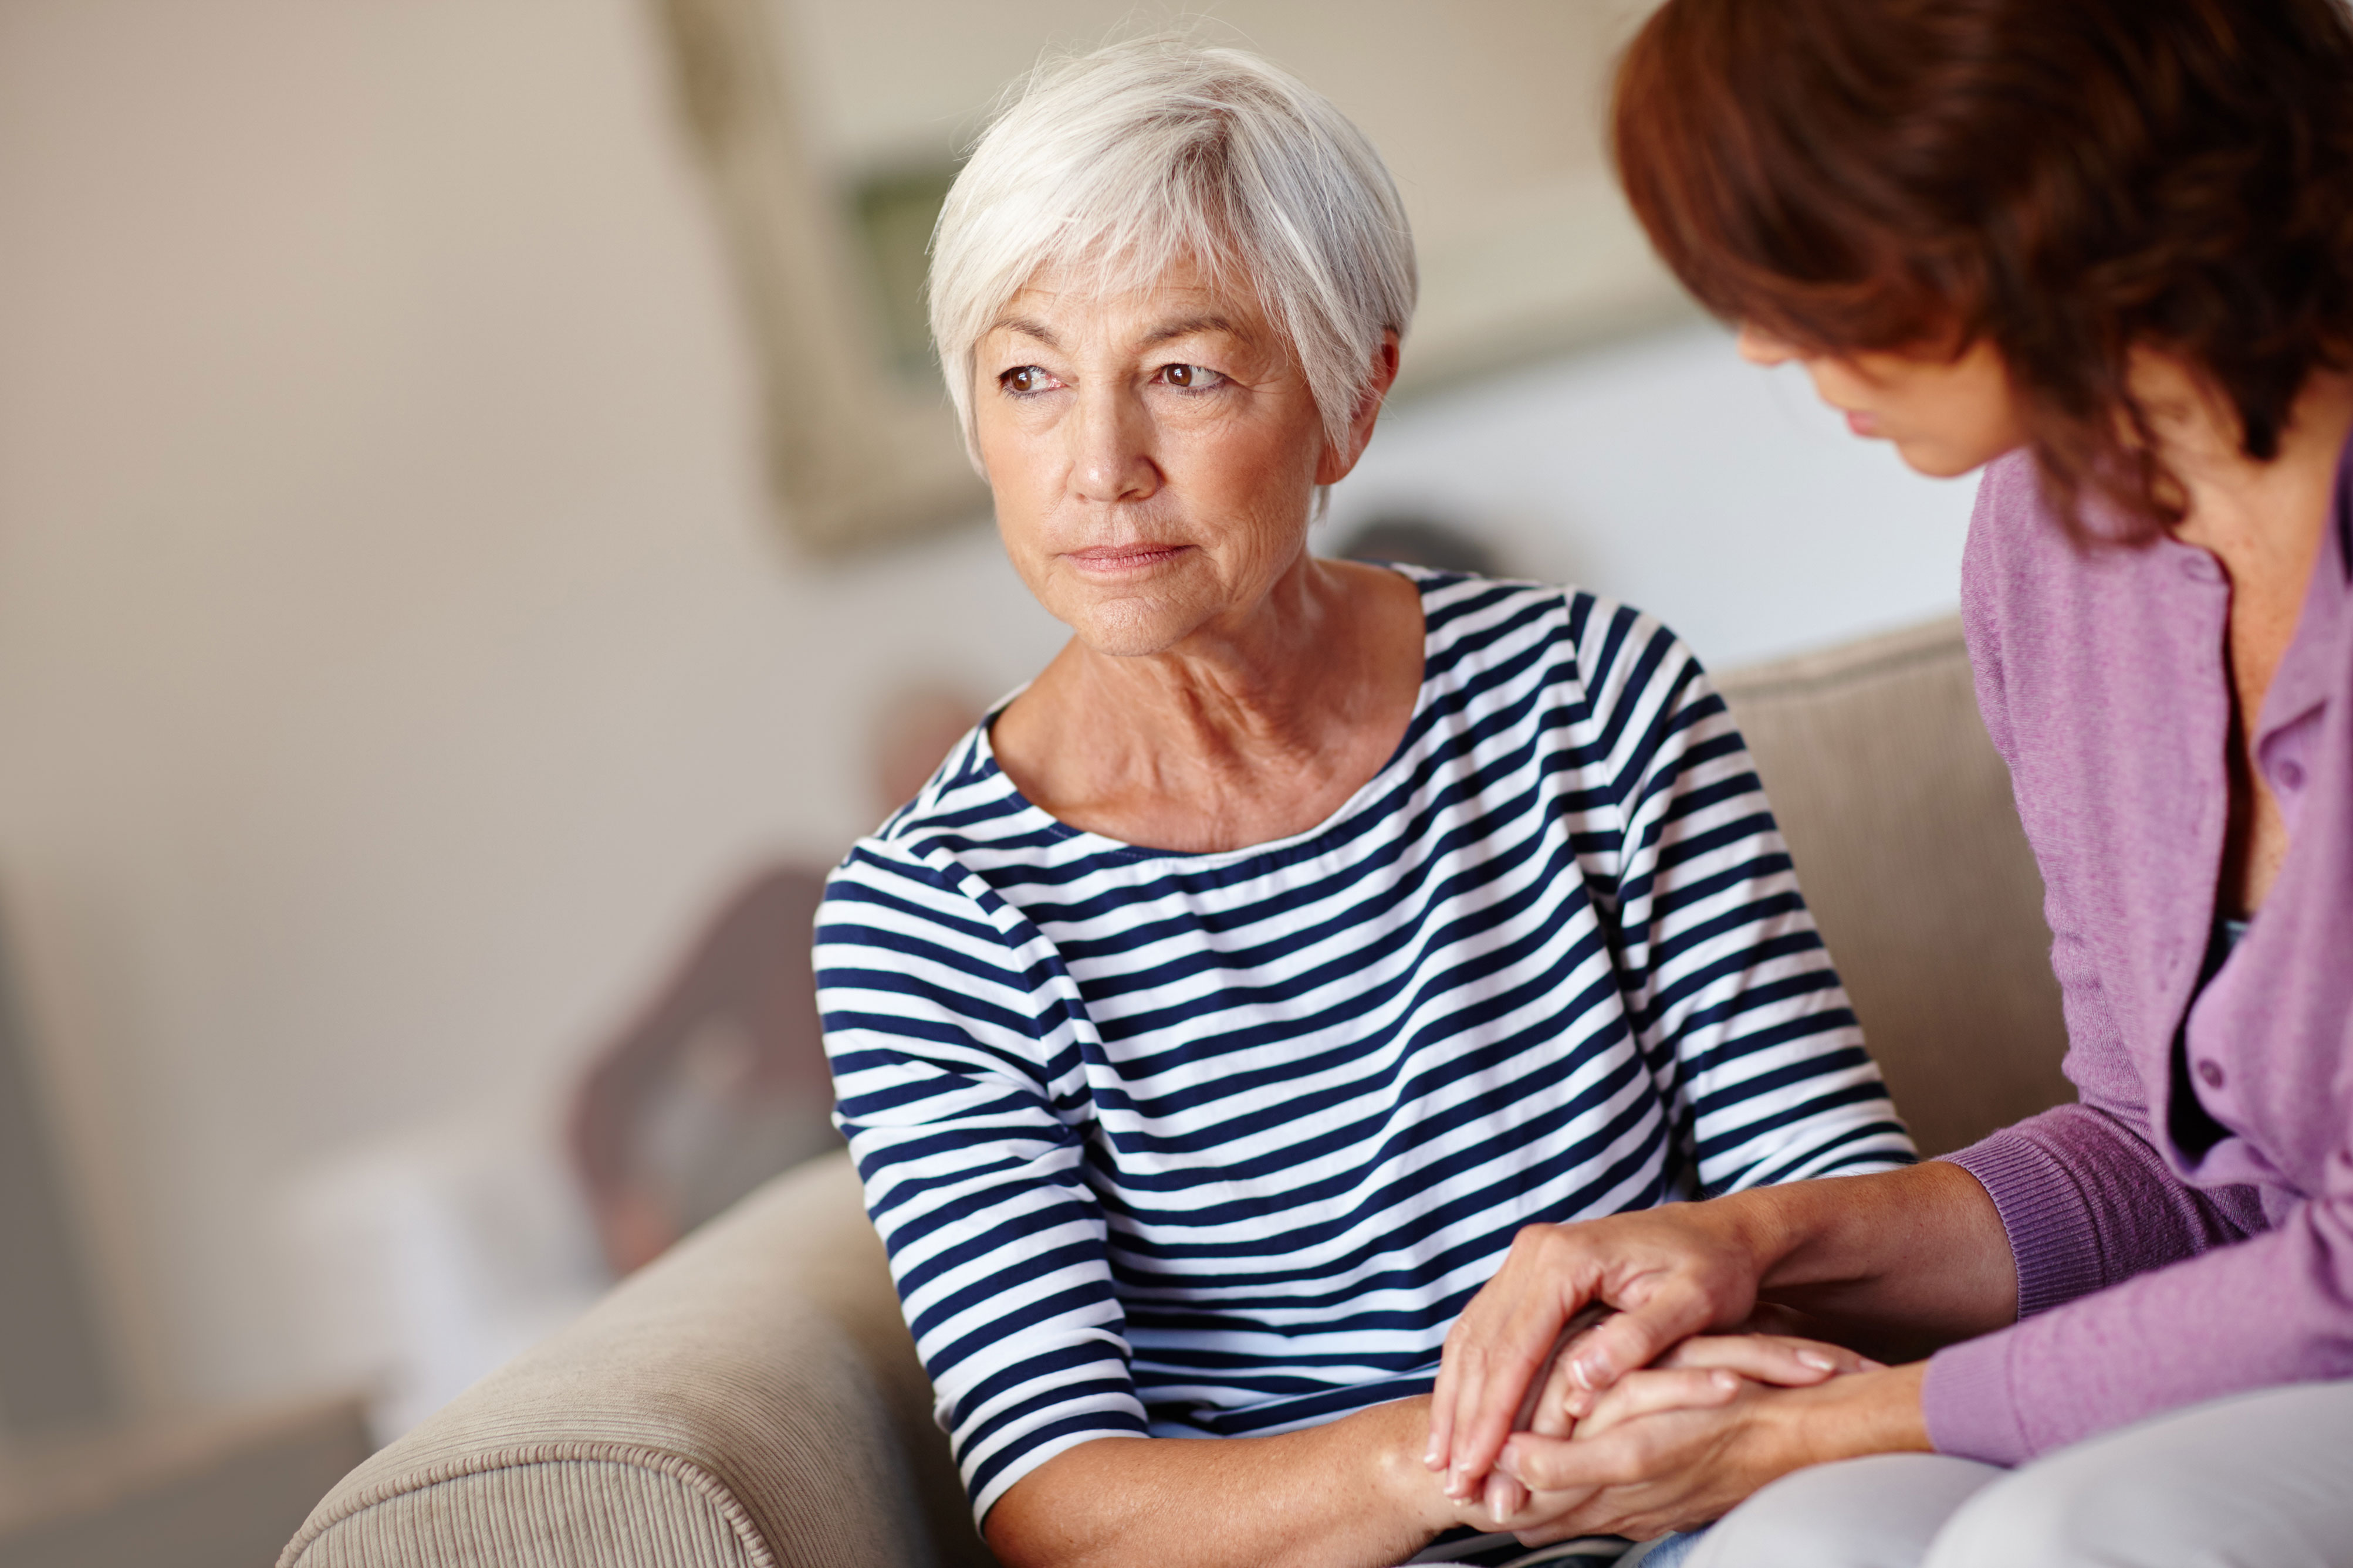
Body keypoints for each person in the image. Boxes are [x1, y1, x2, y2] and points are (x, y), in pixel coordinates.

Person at [814, 36, 1915, 1568]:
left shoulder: (1590, 703)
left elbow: (1845, 1227)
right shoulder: (933, 914)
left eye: (1184, 373)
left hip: (1722, 1509)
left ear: (1351, 394)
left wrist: (1671, 1412)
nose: (1099, 465)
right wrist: (1480, 1453)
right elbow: (1064, 1511)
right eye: (1028, 380)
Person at [1422, 2, 2353, 1564]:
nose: (1763, 343)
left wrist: (1804, 1421)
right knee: (1805, 1541)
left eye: (1804, 268)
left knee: (2055, 1538)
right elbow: (2163, 1148)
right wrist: (1755, 1239)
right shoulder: (2055, 546)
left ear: (2018, 196)